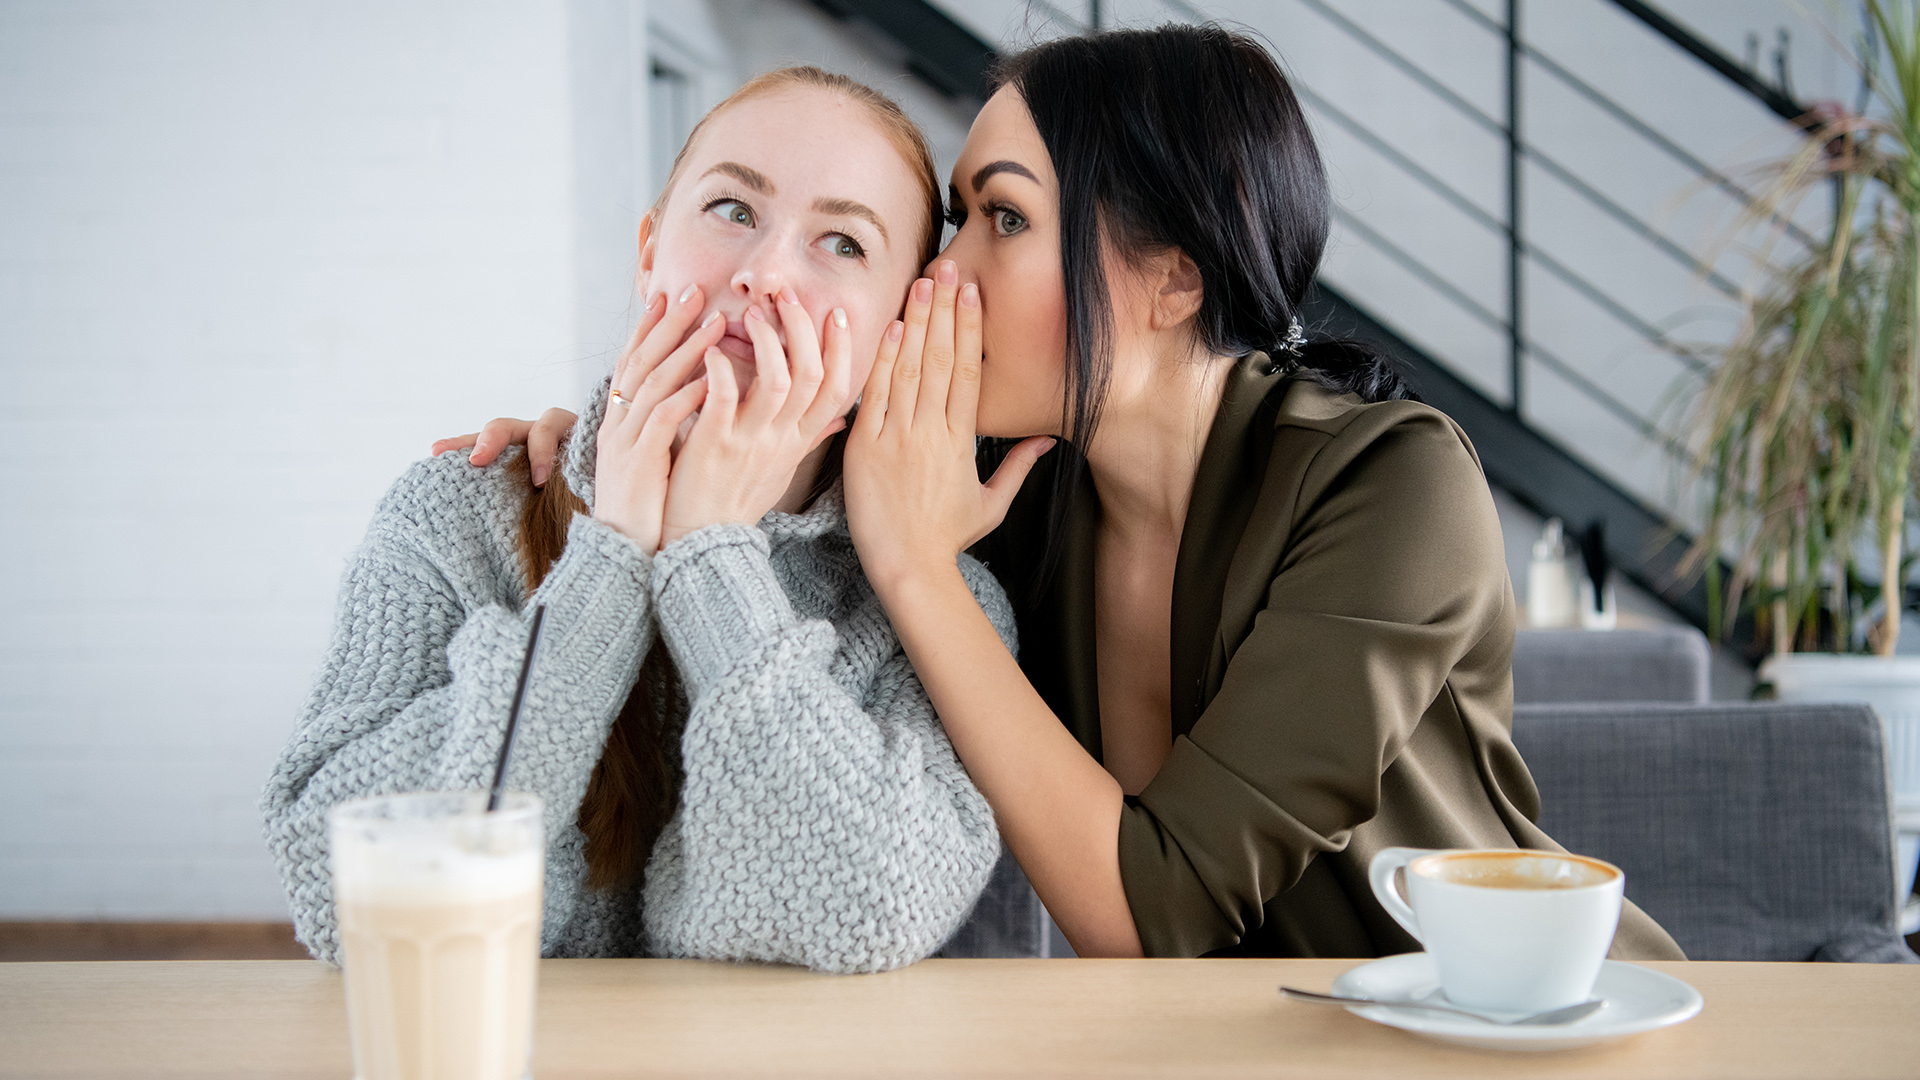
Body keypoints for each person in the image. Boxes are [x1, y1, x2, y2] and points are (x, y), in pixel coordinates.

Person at [454, 27, 1684, 961]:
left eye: (1002, 220)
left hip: (1499, 1030)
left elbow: (1152, 912)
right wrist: (606, 448)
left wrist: (918, 573)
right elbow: (773, 497)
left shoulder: (1391, 483)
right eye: (956, 219)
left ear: (1169, 281)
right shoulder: (1018, 487)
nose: (944, 270)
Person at [262, 66, 1020, 976]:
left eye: (843, 243)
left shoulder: (936, 603)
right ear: (649, 251)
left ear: (897, 328)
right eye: (734, 210)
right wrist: (611, 563)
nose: (765, 273)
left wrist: (711, 560)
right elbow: (348, 897)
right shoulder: (453, 514)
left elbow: (864, 910)